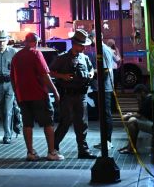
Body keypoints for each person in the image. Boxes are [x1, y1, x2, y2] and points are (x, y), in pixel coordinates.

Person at [10, 33, 63, 161]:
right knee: (48, 123)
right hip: (38, 94)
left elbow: (12, 78)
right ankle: (51, 152)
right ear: (36, 41)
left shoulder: (16, 57)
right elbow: (45, 75)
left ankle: (30, 153)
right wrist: (55, 92)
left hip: (23, 96)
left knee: (27, 124)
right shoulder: (36, 54)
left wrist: (17, 95)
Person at [49, 30, 97, 159]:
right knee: (65, 123)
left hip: (81, 96)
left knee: (82, 124)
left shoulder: (84, 57)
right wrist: (62, 76)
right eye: (81, 45)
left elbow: (91, 68)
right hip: (68, 96)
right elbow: (50, 72)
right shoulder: (62, 58)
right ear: (74, 44)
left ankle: (83, 150)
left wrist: (91, 74)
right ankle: (53, 148)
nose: (84, 47)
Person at [0, 31, 21, 144]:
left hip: (10, 84)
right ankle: (17, 118)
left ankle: (7, 135)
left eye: (3, 41)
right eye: (0, 41)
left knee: (7, 110)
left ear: (7, 41)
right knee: (2, 110)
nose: (1, 43)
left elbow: (19, 69)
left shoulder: (13, 52)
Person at [120, 84, 154, 154]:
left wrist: (127, 116)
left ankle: (131, 148)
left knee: (132, 121)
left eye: (137, 95)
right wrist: (132, 114)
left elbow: (139, 115)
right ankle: (130, 146)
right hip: (152, 123)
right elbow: (141, 113)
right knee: (133, 119)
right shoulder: (148, 99)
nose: (136, 97)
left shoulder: (148, 99)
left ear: (142, 92)